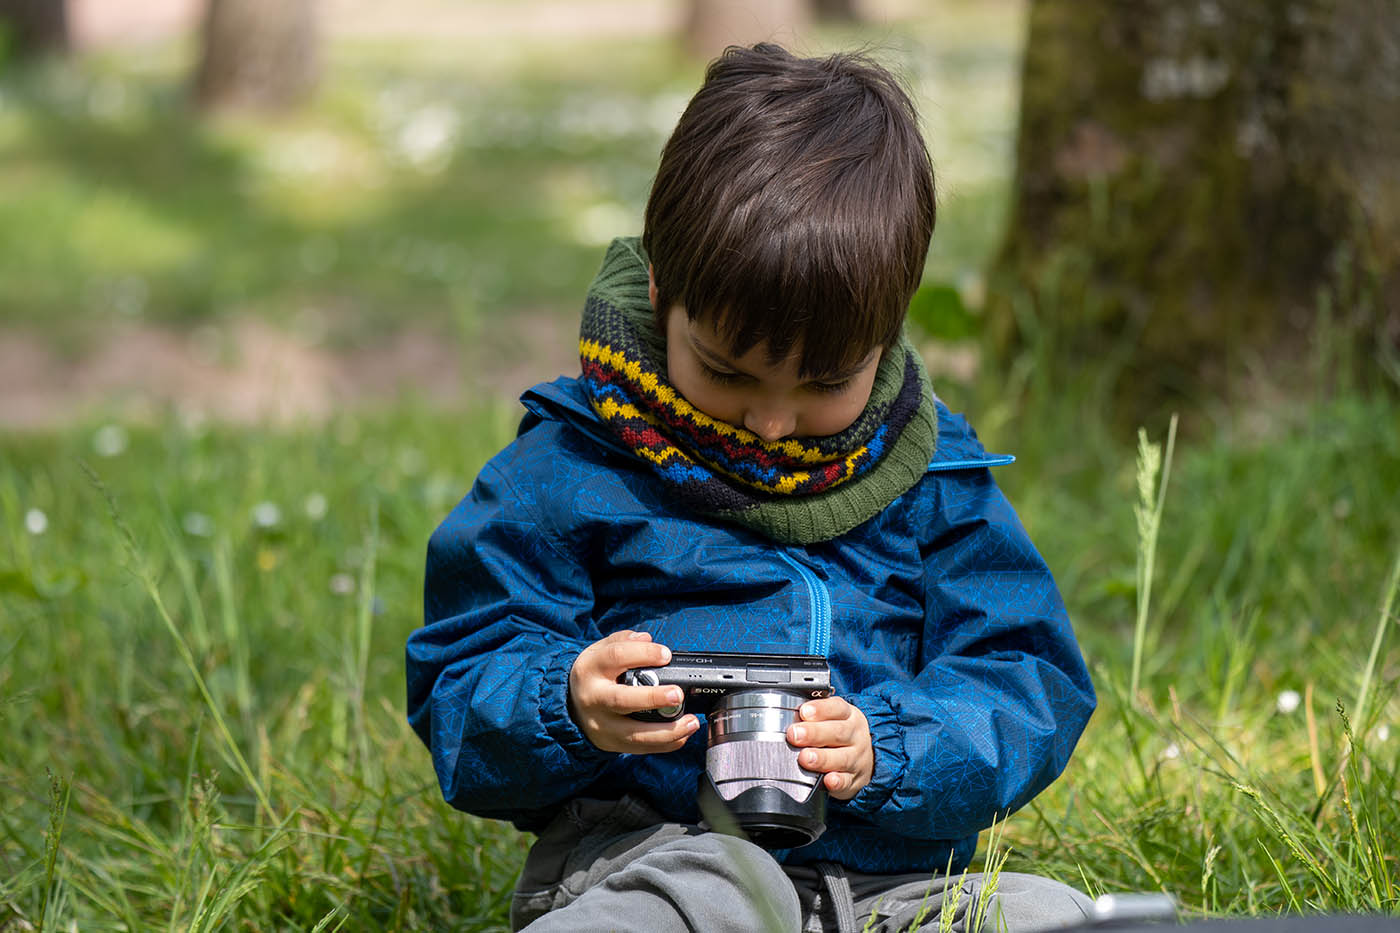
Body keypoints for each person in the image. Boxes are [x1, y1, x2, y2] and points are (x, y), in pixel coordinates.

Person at [406, 43, 1097, 933]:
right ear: (663, 289)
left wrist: (893, 745)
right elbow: (461, 678)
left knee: (1051, 912)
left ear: (886, 338)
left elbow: (1026, 673)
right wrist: (566, 700)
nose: (770, 424)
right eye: (728, 372)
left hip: (899, 884)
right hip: (657, 865)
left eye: (822, 385)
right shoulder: (572, 464)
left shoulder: (931, 475)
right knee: (717, 892)